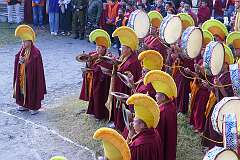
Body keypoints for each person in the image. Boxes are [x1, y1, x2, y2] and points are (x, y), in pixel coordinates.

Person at [109, 26, 142, 131]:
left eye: (123, 48)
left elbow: (131, 77)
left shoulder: (133, 62)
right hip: (119, 85)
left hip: (125, 88)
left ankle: (121, 125)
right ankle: (117, 122)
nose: (121, 50)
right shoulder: (124, 57)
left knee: (123, 106)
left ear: (129, 49)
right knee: (118, 105)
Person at [144, 70, 177, 160]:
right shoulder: (171, 105)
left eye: (157, 94)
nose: (155, 96)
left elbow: (158, 130)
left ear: (163, 97)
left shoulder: (163, 111)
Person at [14, 25, 46, 115]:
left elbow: (34, 64)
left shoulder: (35, 51)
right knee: (22, 88)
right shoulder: (23, 49)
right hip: (23, 75)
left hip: (32, 77)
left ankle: (33, 107)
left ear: (30, 41)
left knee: (32, 89)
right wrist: (19, 60)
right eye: (22, 41)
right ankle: (23, 104)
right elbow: (18, 57)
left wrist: (25, 62)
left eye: (25, 41)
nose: (23, 44)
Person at [126, 93, 163, 160]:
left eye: (135, 120)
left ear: (142, 125)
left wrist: (129, 137)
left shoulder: (138, 145)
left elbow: (126, 155)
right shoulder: (155, 132)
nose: (132, 122)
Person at [86, 29, 113, 120]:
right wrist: (89, 62)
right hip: (96, 80)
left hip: (103, 82)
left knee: (100, 97)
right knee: (94, 96)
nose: (97, 50)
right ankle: (94, 111)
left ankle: (101, 114)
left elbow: (108, 68)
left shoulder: (109, 57)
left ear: (104, 48)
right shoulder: (95, 55)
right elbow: (90, 65)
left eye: (100, 48)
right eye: (97, 47)